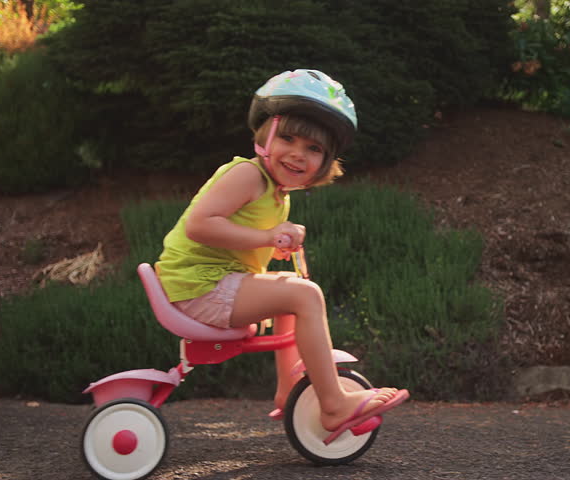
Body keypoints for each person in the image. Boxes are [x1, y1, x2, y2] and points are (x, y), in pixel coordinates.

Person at [155, 69, 408, 440]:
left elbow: (241, 240)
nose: (297, 153)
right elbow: (200, 225)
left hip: (213, 279)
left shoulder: (276, 193)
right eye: (288, 138)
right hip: (198, 283)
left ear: (325, 162)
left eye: (314, 148)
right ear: (266, 136)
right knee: (304, 294)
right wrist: (268, 234)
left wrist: (273, 243)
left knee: (291, 286)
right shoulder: (248, 174)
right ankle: (335, 405)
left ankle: (289, 390)